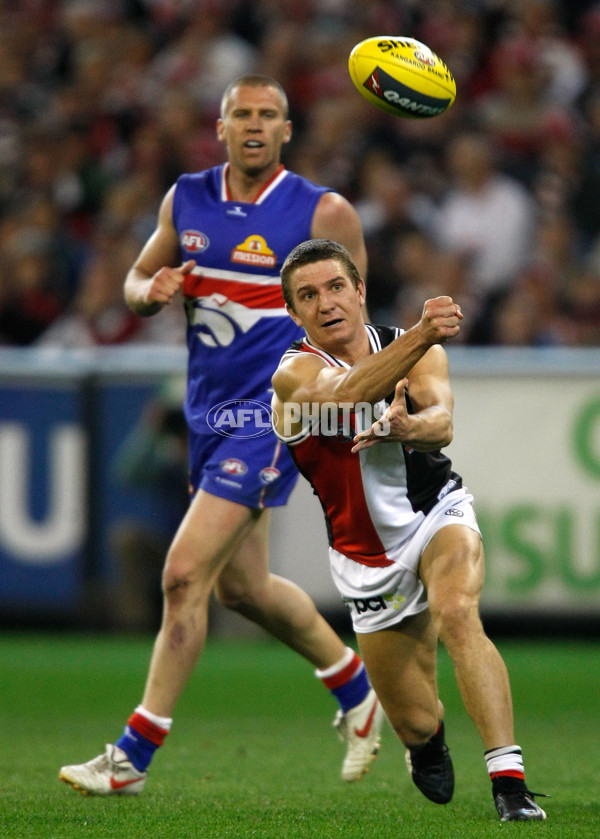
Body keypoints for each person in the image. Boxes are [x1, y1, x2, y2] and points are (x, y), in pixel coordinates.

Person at [59, 75, 384, 796]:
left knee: (182, 574)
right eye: (244, 113)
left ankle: (131, 756)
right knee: (244, 588)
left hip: (273, 416)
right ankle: (358, 692)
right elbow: (138, 278)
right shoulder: (187, 197)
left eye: (270, 115)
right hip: (209, 414)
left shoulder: (322, 210)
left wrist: (349, 398)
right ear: (223, 125)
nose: (256, 125)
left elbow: (357, 321)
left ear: (288, 130)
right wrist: (151, 292)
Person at [270, 238, 547, 822]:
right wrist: (425, 331)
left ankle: (510, 783)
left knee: (457, 613)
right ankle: (426, 742)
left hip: (435, 513)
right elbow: (345, 393)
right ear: (294, 314)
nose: (326, 303)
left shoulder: (411, 349)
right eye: (309, 296)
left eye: (336, 287)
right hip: (365, 555)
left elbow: (442, 423)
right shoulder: (292, 376)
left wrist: (407, 427)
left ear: (360, 290)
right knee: (416, 720)